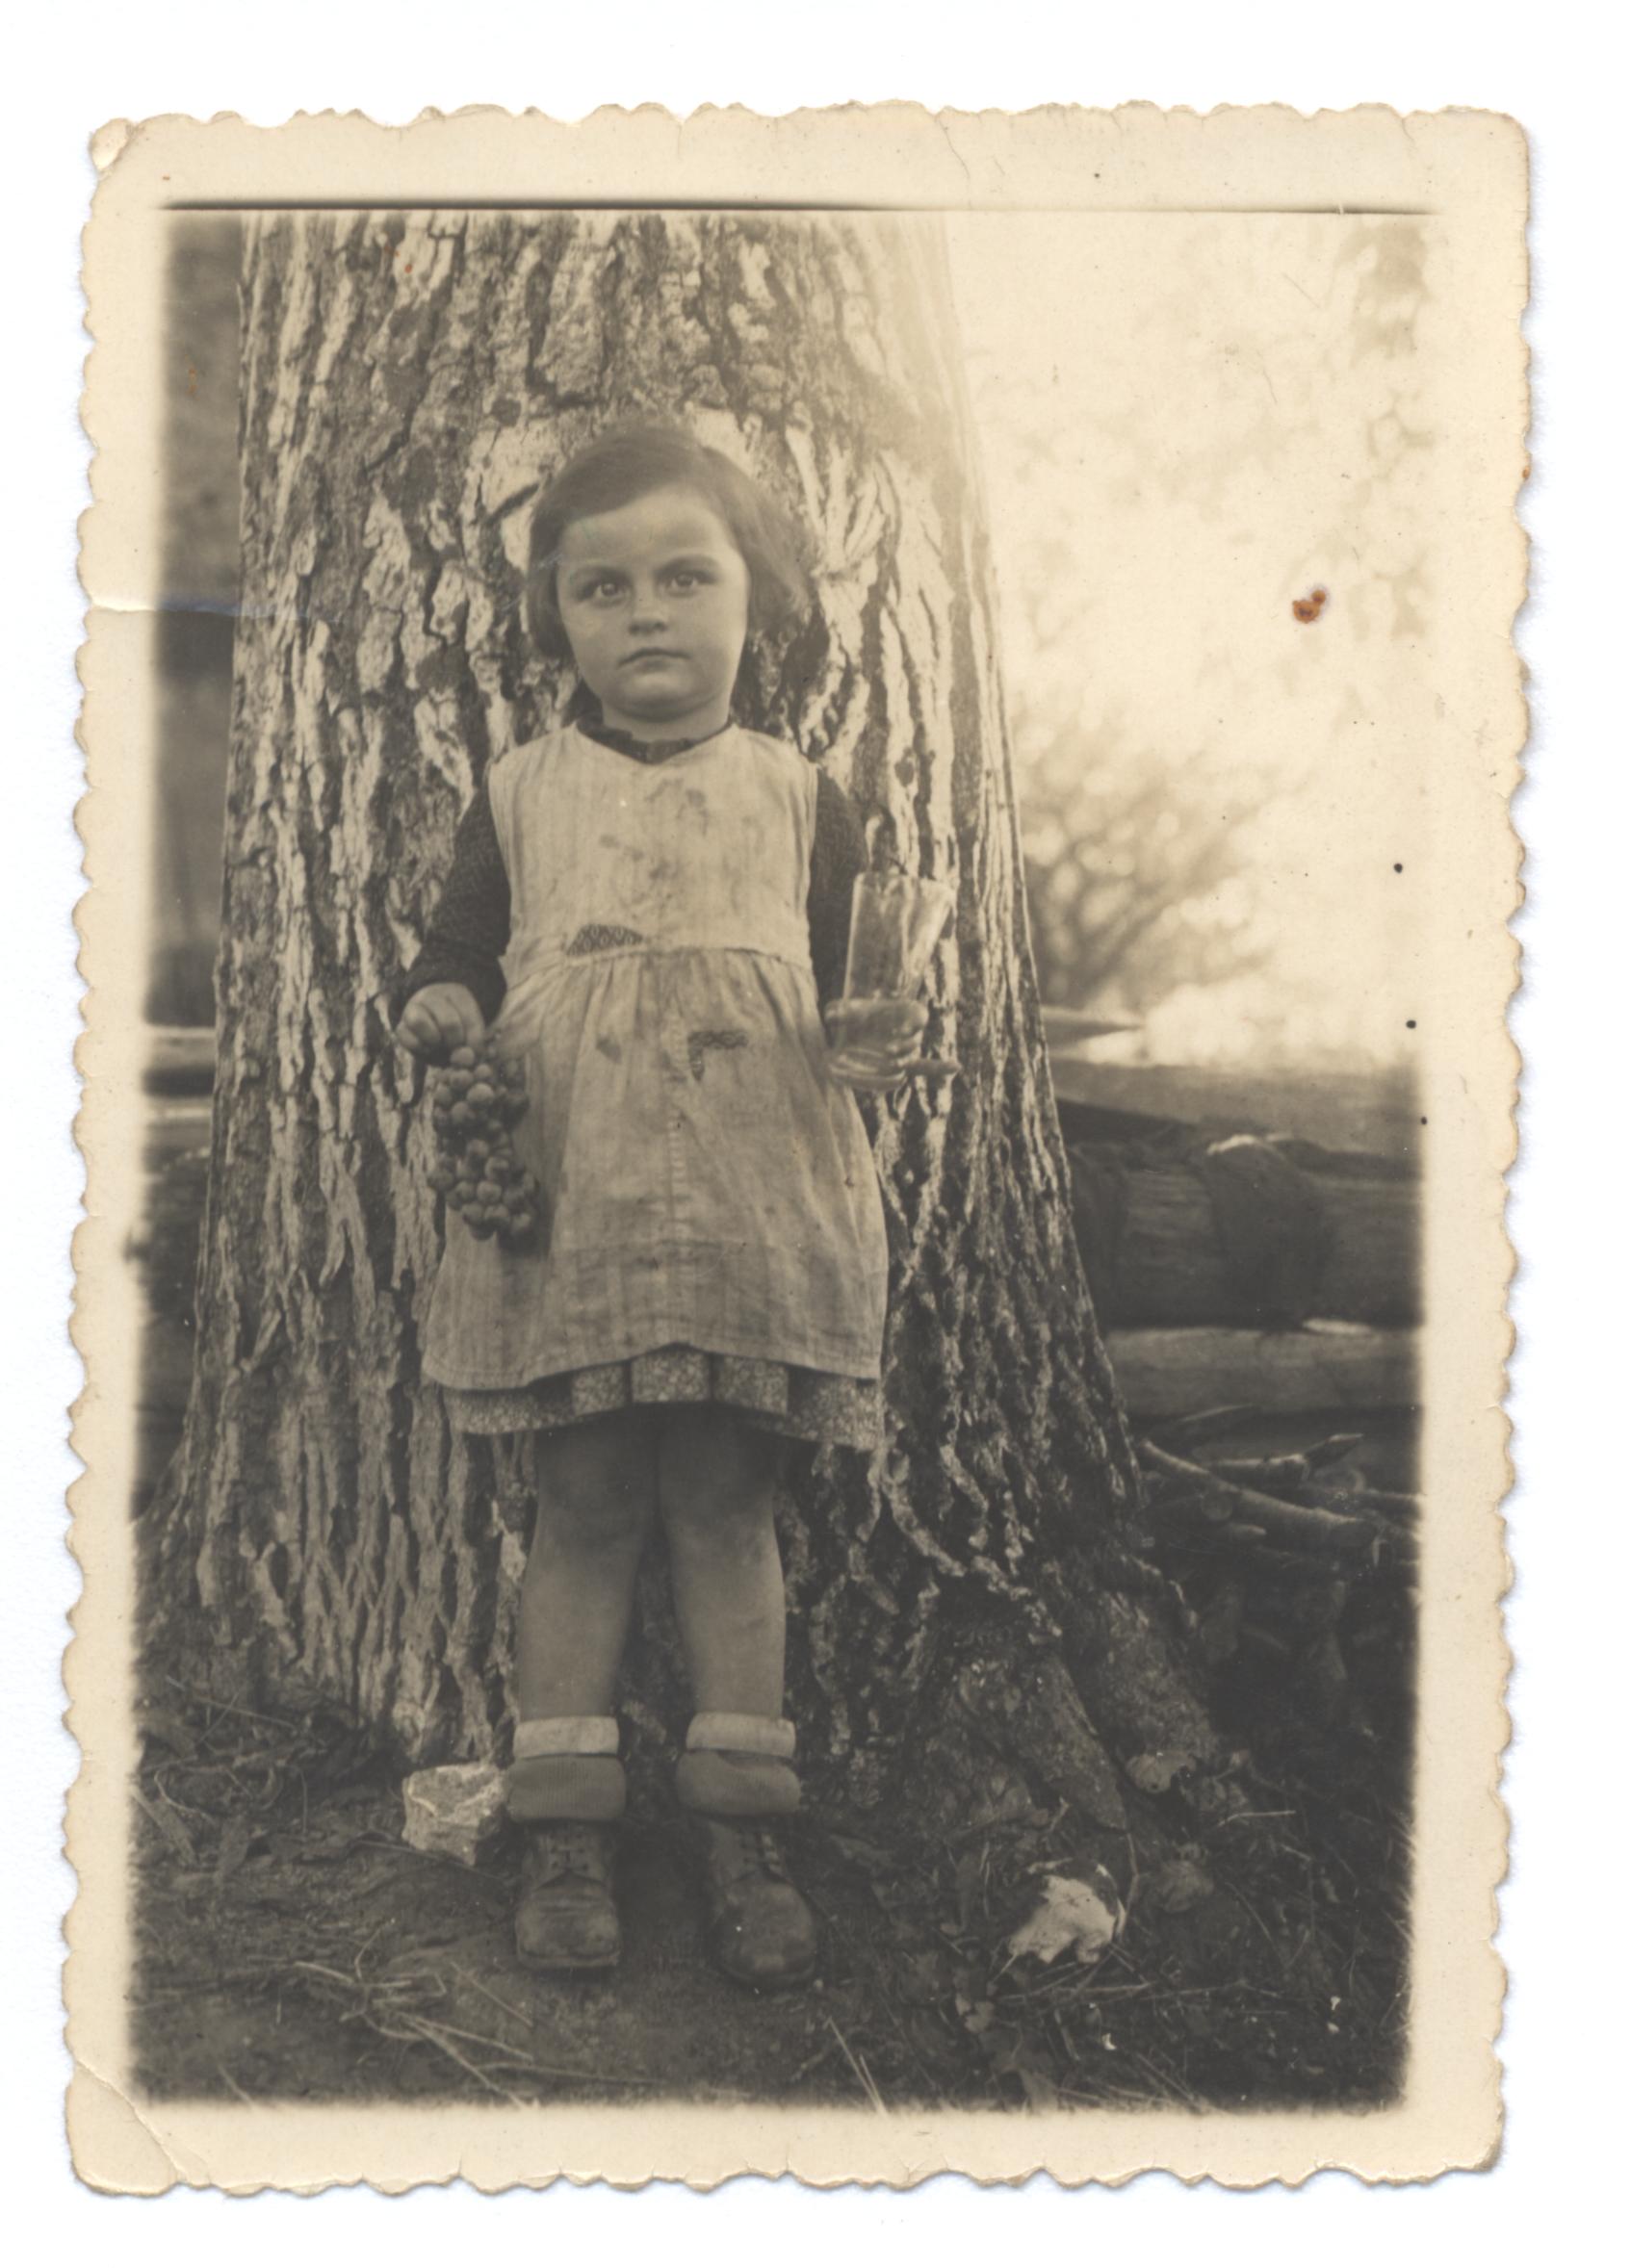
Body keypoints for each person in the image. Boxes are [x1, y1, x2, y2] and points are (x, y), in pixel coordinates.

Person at [394, 423, 928, 1988]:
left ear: (757, 600)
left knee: (724, 1506)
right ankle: (565, 1830)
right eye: (602, 587)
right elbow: (456, 953)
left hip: (755, 1211)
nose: (645, 614)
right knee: (582, 1509)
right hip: (573, 1213)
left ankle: (743, 1827)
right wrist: (441, 1003)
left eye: (685, 578)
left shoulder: (801, 798)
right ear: (552, 618)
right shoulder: (516, 797)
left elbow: (863, 984)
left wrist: (872, 1033)